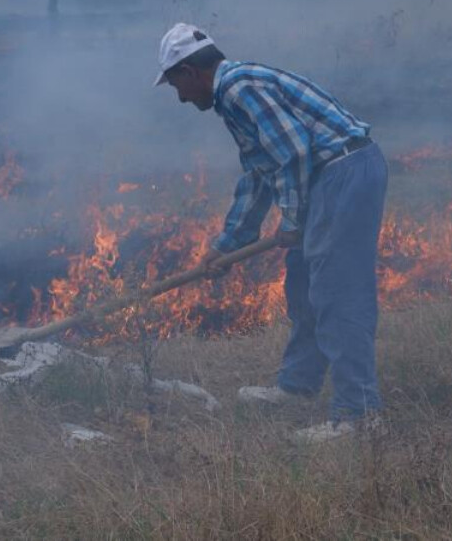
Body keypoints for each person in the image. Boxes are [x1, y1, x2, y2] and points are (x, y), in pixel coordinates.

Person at [153, 23, 388, 444]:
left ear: (190, 72)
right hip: (327, 178)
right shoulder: (235, 96)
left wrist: (293, 221)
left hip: (342, 175)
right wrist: (226, 245)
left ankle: (358, 416)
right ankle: (297, 387)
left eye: (176, 86)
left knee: (337, 294)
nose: (182, 98)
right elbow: (259, 176)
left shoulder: (240, 88)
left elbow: (295, 150)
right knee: (302, 284)